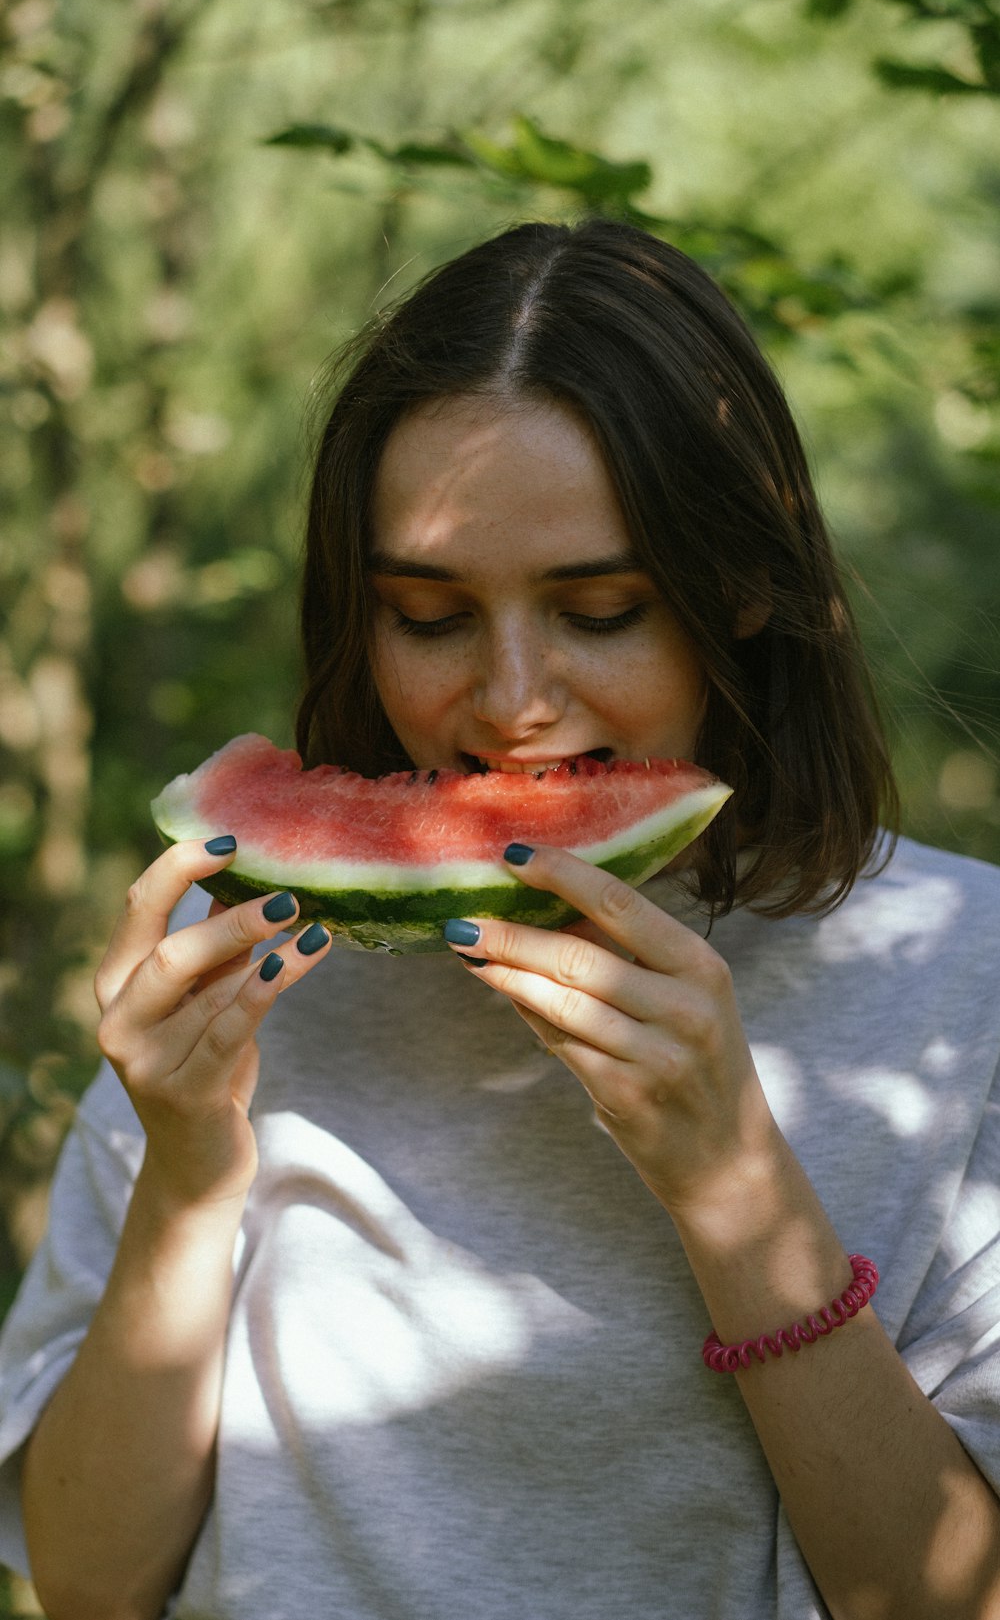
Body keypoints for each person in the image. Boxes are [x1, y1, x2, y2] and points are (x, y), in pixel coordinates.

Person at [1, 217, 1000, 1620]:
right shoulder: (243, 970)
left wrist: (738, 1193)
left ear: (748, 587)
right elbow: (93, 1583)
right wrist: (184, 1168)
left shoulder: (966, 987)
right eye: (428, 614)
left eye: (601, 609)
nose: (515, 696)